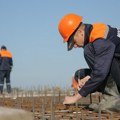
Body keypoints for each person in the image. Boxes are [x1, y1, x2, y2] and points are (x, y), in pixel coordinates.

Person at [58, 13, 120, 105]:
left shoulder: (99, 40)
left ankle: (114, 100)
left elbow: (100, 73)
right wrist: (89, 77)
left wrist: (75, 98)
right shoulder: (95, 32)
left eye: (73, 41)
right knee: (79, 75)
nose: (74, 46)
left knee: (88, 50)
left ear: (80, 32)